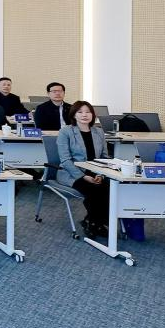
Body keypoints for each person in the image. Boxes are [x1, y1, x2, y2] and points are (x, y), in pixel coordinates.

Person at [56, 101, 110, 239]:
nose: (84, 115)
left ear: (93, 115)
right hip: (71, 173)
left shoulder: (98, 132)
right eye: (80, 112)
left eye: (88, 112)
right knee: (94, 190)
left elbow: (104, 158)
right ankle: (94, 223)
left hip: (96, 172)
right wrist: (83, 176)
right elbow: (65, 160)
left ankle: (93, 220)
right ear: (74, 115)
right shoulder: (66, 132)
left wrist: (101, 175)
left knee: (109, 187)